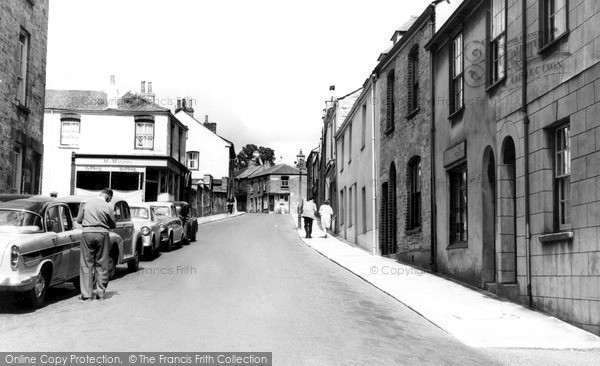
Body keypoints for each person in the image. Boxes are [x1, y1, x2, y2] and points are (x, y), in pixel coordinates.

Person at [76, 188, 116, 301]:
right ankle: (100, 293)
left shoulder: (87, 203)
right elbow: (113, 224)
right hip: (102, 235)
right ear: (109, 197)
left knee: (86, 263)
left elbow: (79, 220)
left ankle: (86, 294)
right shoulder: (108, 206)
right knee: (102, 263)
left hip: (87, 234)